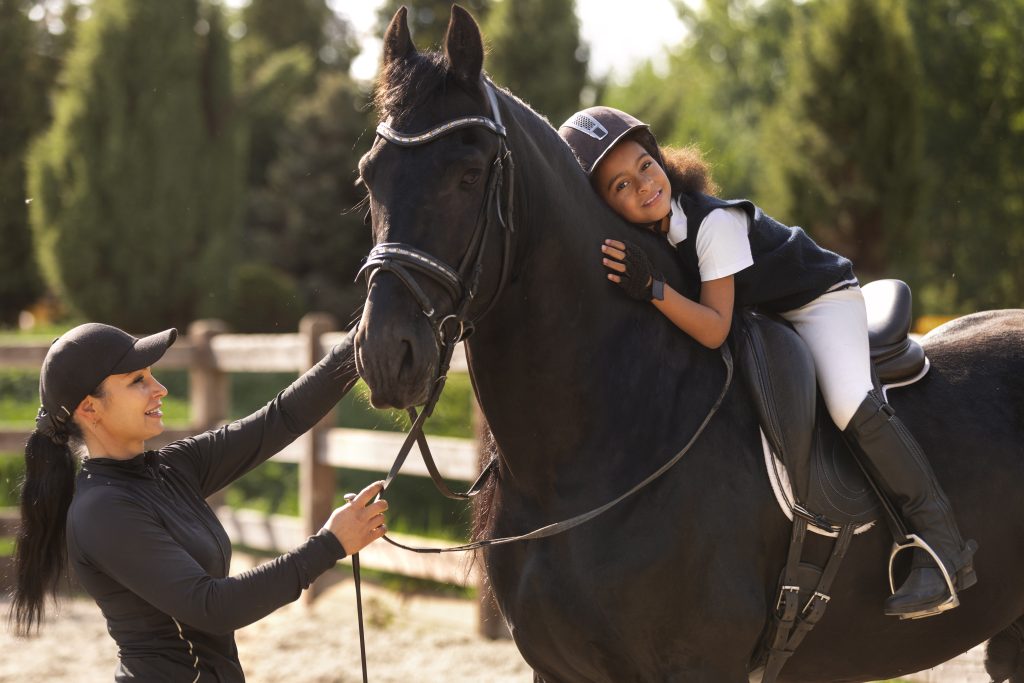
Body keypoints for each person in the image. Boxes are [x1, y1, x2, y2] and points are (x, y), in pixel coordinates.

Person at [558, 107, 977, 619]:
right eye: (621, 185)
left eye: (646, 165)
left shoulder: (714, 223)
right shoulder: (653, 233)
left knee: (847, 400)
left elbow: (713, 328)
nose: (644, 185)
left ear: (660, 159)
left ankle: (941, 543)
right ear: (605, 205)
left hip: (820, 300)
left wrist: (653, 288)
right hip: (769, 316)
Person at [11, 322, 387, 680]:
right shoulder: (103, 511)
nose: (160, 389)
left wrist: (363, 335)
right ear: (89, 409)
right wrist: (329, 545)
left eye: (152, 375)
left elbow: (282, 418)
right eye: (137, 380)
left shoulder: (171, 468)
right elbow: (213, 607)